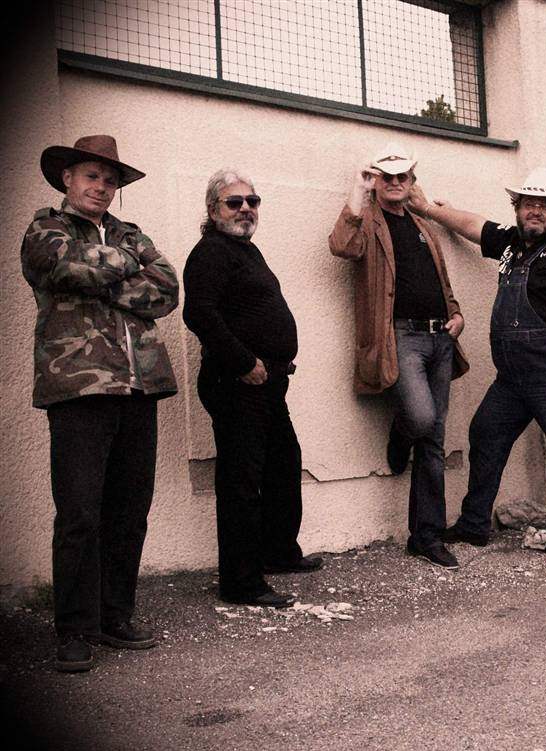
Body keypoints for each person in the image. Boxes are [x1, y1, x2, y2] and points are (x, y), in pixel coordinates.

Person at [21, 135, 179, 672]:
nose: (102, 187)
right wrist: (129, 265)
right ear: (68, 178)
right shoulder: (46, 228)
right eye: (92, 176)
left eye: (110, 180)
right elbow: (65, 268)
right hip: (79, 388)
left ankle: (116, 615)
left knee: (129, 511)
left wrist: (104, 273)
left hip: (140, 386)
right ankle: (73, 628)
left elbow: (166, 291)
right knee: (80, 514)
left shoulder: (130, 232)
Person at [409, 168, 546, 569]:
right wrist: (428, 209)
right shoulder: (512, 243)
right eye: (529, 203)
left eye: (545, 206)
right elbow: (473, 225)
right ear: (518, 208)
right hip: (513, 377)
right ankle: (474, 524)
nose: (536, 211)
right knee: (485, 434)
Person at [183, 169, 321, 609]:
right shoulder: (211, 252)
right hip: (237, 382)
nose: (245, 208)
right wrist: (244, 362)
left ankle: (277, 552)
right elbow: (199, 314)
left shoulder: (244, 250)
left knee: (283, 465)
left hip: (267, 383)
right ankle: (241, 582)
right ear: (213, 210)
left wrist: (275, 360)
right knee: (241, 481)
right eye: (234, 202)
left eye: (252, 201)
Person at [328, 143, 469, 570]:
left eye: (401, 177)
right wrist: (358, 189)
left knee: (434, 439)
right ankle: (402, 430)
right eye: (385, 177)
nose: (394, 183)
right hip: (401, 339)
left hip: (441, 339)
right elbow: (341, 245)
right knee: (422, 420)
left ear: (411, 181)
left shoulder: (422, 224)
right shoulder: (369, 221)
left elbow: (441, 281)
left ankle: (426, 536)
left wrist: (457, 313)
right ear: (376, 181)